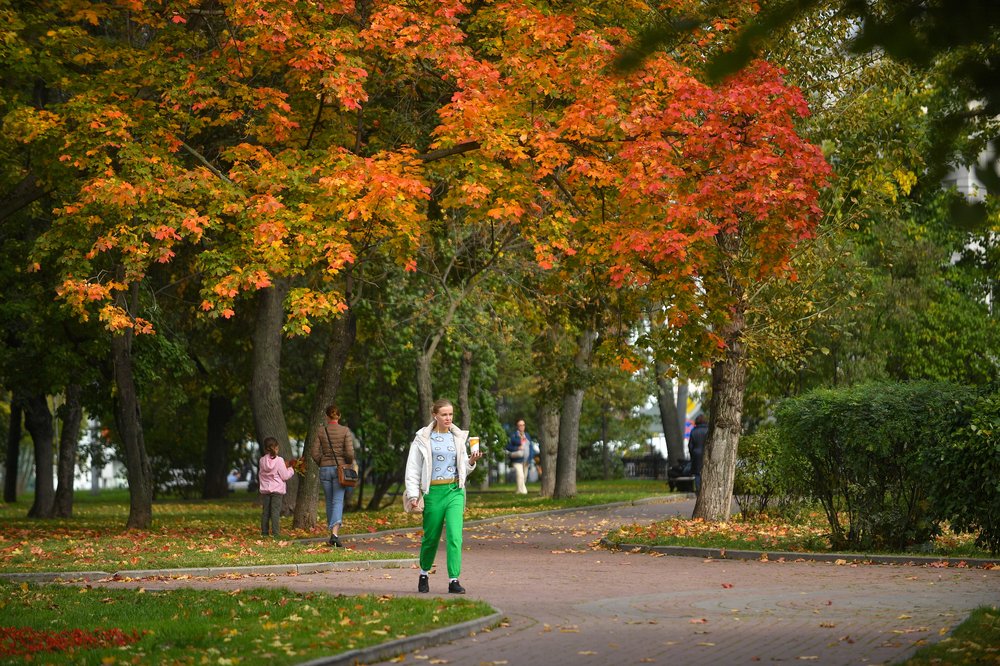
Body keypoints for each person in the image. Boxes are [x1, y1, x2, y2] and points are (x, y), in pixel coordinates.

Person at [404, 398, 483, 595]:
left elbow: (462, 466)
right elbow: (413, 468)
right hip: (433, 493)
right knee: (431, 538)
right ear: (435, 416)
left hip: (455, 491)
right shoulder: (422, 438)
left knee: (455, 536)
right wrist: (414, 494)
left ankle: (453, 580)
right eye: (444, 414)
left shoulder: (457, 437)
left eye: (450, 414)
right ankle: (424, 573)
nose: (448, 418)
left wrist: (471, 461)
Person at [310, 404, 355, 548]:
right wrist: (347, 463)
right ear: (339, 416)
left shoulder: (321, 431)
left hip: (324, 469)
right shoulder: (345, 431)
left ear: (327, 417)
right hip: (339, 469)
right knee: (337, 500)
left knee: (330, 501)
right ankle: (335, 535)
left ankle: (332, 533)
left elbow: (314, 452)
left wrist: (322, 462)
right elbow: (349, 453)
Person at [258, 437, 295, 538]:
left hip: (266, 490)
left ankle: (264, 533)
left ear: (266, 449)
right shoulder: (279, 460)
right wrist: (291, 469)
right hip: (277, 490)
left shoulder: (262, 460)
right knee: (275, 512)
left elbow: (261, 474)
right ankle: (276, 533)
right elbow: (285, 476)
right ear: (276, 448)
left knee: (265, 512)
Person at [506, 419, 535, 494]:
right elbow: (508, 447)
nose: (522, 427)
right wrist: (517, 448)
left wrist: (530, 457)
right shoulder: (513, 435)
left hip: (526, 460)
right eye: (520, 425)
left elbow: (531, 447)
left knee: (524, 477)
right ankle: (523, 492)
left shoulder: (527, 435)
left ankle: (518, 491)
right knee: (520, 475)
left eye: (523, 425)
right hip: (517, 460)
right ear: (517, 426)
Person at [688, 414, 709, 492]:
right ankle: (705, 490)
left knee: (697, 474)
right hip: (706, 454)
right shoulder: (708, 430)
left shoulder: (693, 431)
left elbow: (690, 445)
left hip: (696, 454)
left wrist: (692, 454)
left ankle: (698, 490)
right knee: (706, 472)